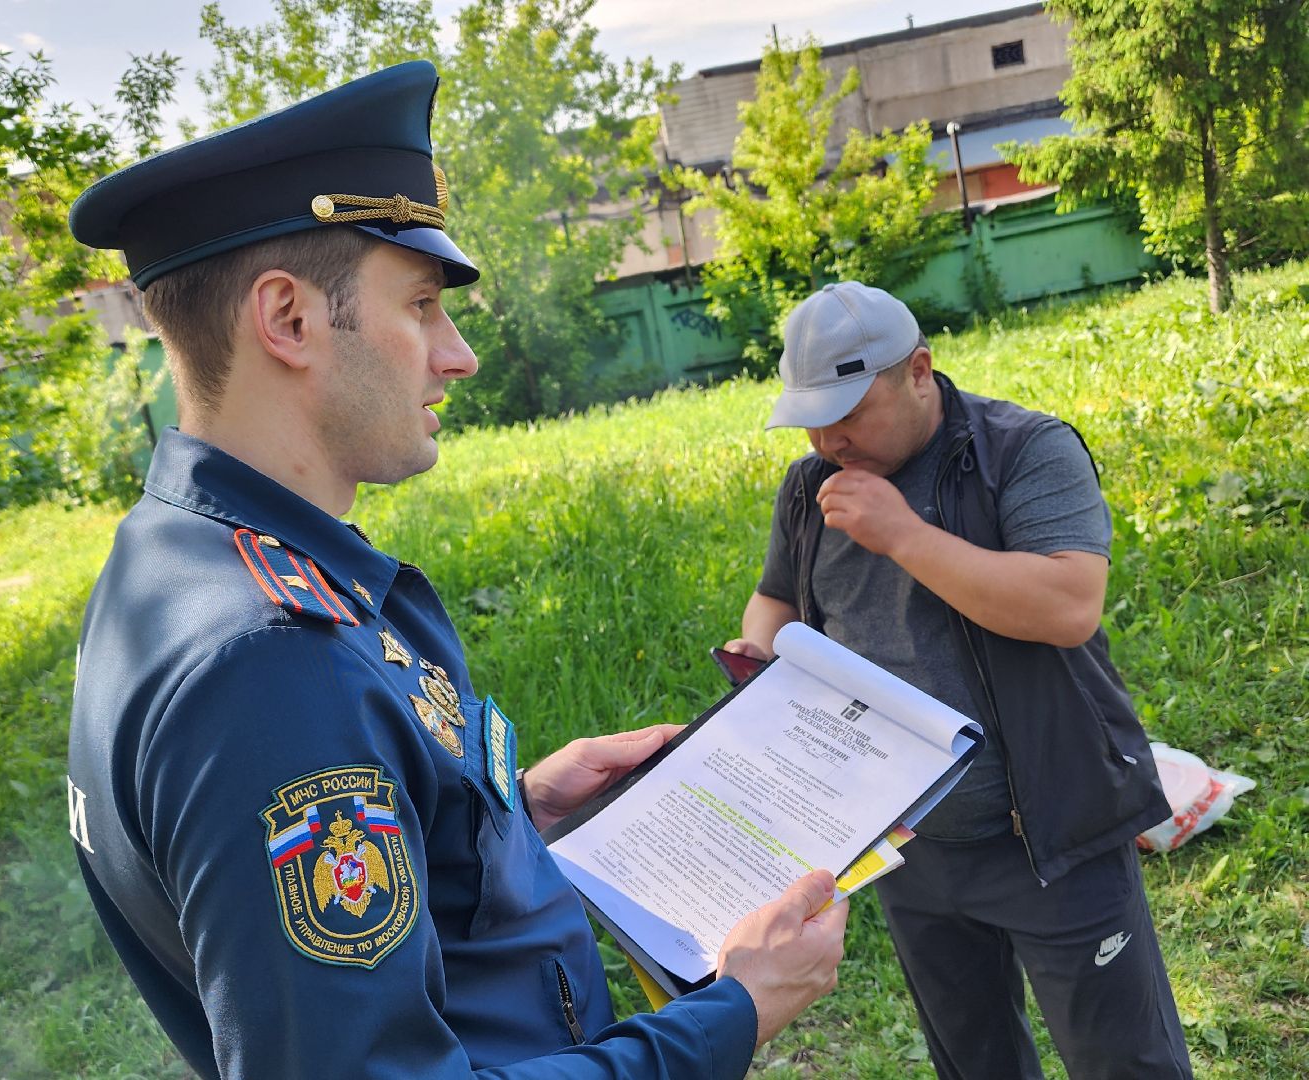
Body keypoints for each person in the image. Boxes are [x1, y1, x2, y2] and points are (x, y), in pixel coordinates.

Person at [64, 61, 847, 1080]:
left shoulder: (170, 559)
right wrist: (734, 1011)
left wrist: (507, 816)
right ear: (289, 320)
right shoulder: (268, 668)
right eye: (424, 304)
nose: (458, 353)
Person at [721, 282, 1192, 1079]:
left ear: (920, 372)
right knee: (973, 1062)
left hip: (1052, 827)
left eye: (849, 410)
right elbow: (773, 598)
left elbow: (1068, 604)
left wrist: (904, 533)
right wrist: (762, 652)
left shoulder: (1024, 450)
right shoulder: (810, 486)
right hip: (908, 839)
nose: (829, 438)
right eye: (812, 417)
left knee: (1124, 1060)